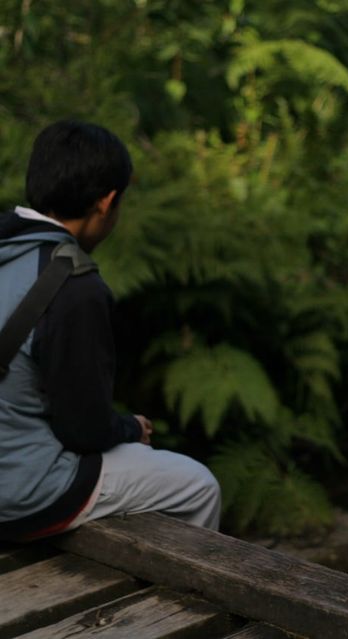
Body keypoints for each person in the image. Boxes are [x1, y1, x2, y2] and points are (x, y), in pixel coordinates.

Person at [0, 120, 221, 541]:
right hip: (19, 495)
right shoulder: (73, 285)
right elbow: (84, 431)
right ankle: (176, 596)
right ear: (107, 202)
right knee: (198, 486)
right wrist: (131, 428)